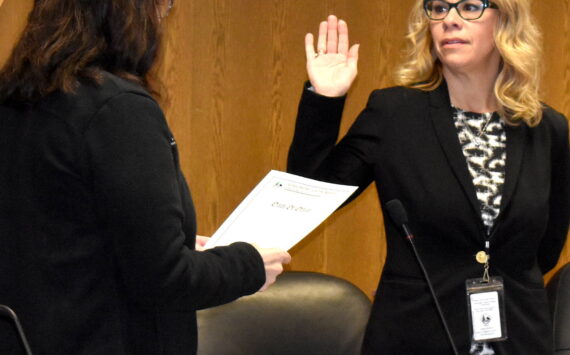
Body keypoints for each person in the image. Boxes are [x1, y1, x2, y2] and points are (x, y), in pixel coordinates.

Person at [0, 0, 291, 354]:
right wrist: (249, 265)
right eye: (163, 6)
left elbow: (61, 233)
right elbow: (162, 278)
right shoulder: (117, 109)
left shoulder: (18, 100)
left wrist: (174, 240)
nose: (163, 18)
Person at [288, 0, 569, 354]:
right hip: (416, 334)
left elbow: (546, 247)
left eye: (469, 7)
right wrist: (325, 99)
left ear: (507, 21)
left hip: (520, 338)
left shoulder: (546, 128)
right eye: (438, 8)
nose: (450, 20)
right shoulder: (395, 113)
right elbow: (309, 195)